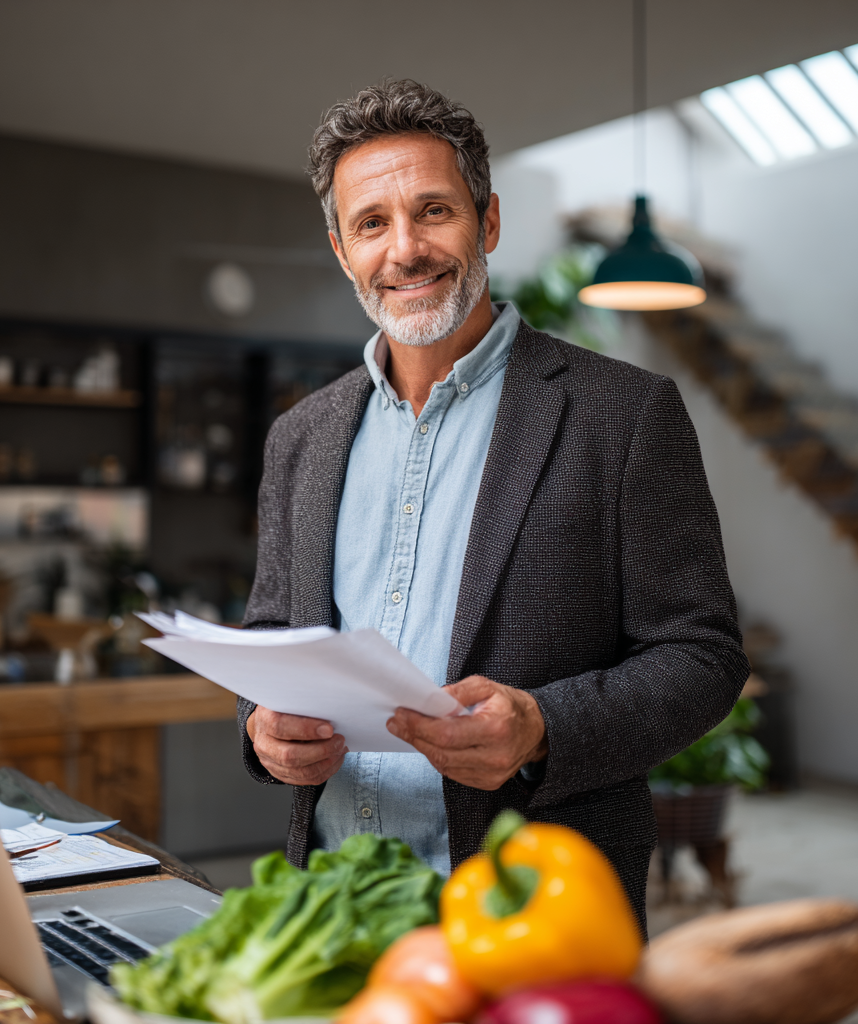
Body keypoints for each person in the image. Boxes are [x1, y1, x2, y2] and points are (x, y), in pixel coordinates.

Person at [237, 79, 749, 928]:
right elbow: (269, 637)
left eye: (433, 210)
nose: (405, 249)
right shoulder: (302, 436)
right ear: (341, 249)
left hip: (536, 908)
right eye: (372, 223)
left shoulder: (622, 413)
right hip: (330, 901)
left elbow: (701, 655)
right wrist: (262, 723)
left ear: (489, 222)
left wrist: (543, 726)